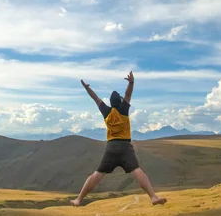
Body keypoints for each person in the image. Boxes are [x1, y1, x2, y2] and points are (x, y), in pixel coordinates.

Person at [70, 71, 167, 207]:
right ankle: (153, 197)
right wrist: (131, 83)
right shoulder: (124, 110)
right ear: (120, 101)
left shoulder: (106, 112)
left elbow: (95, 98)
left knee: (97, 175)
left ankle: (78, 199)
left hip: (111, 147)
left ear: (111, 102)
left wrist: (87, 88)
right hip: (125, 146)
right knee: (138, 171)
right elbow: (128, 94)